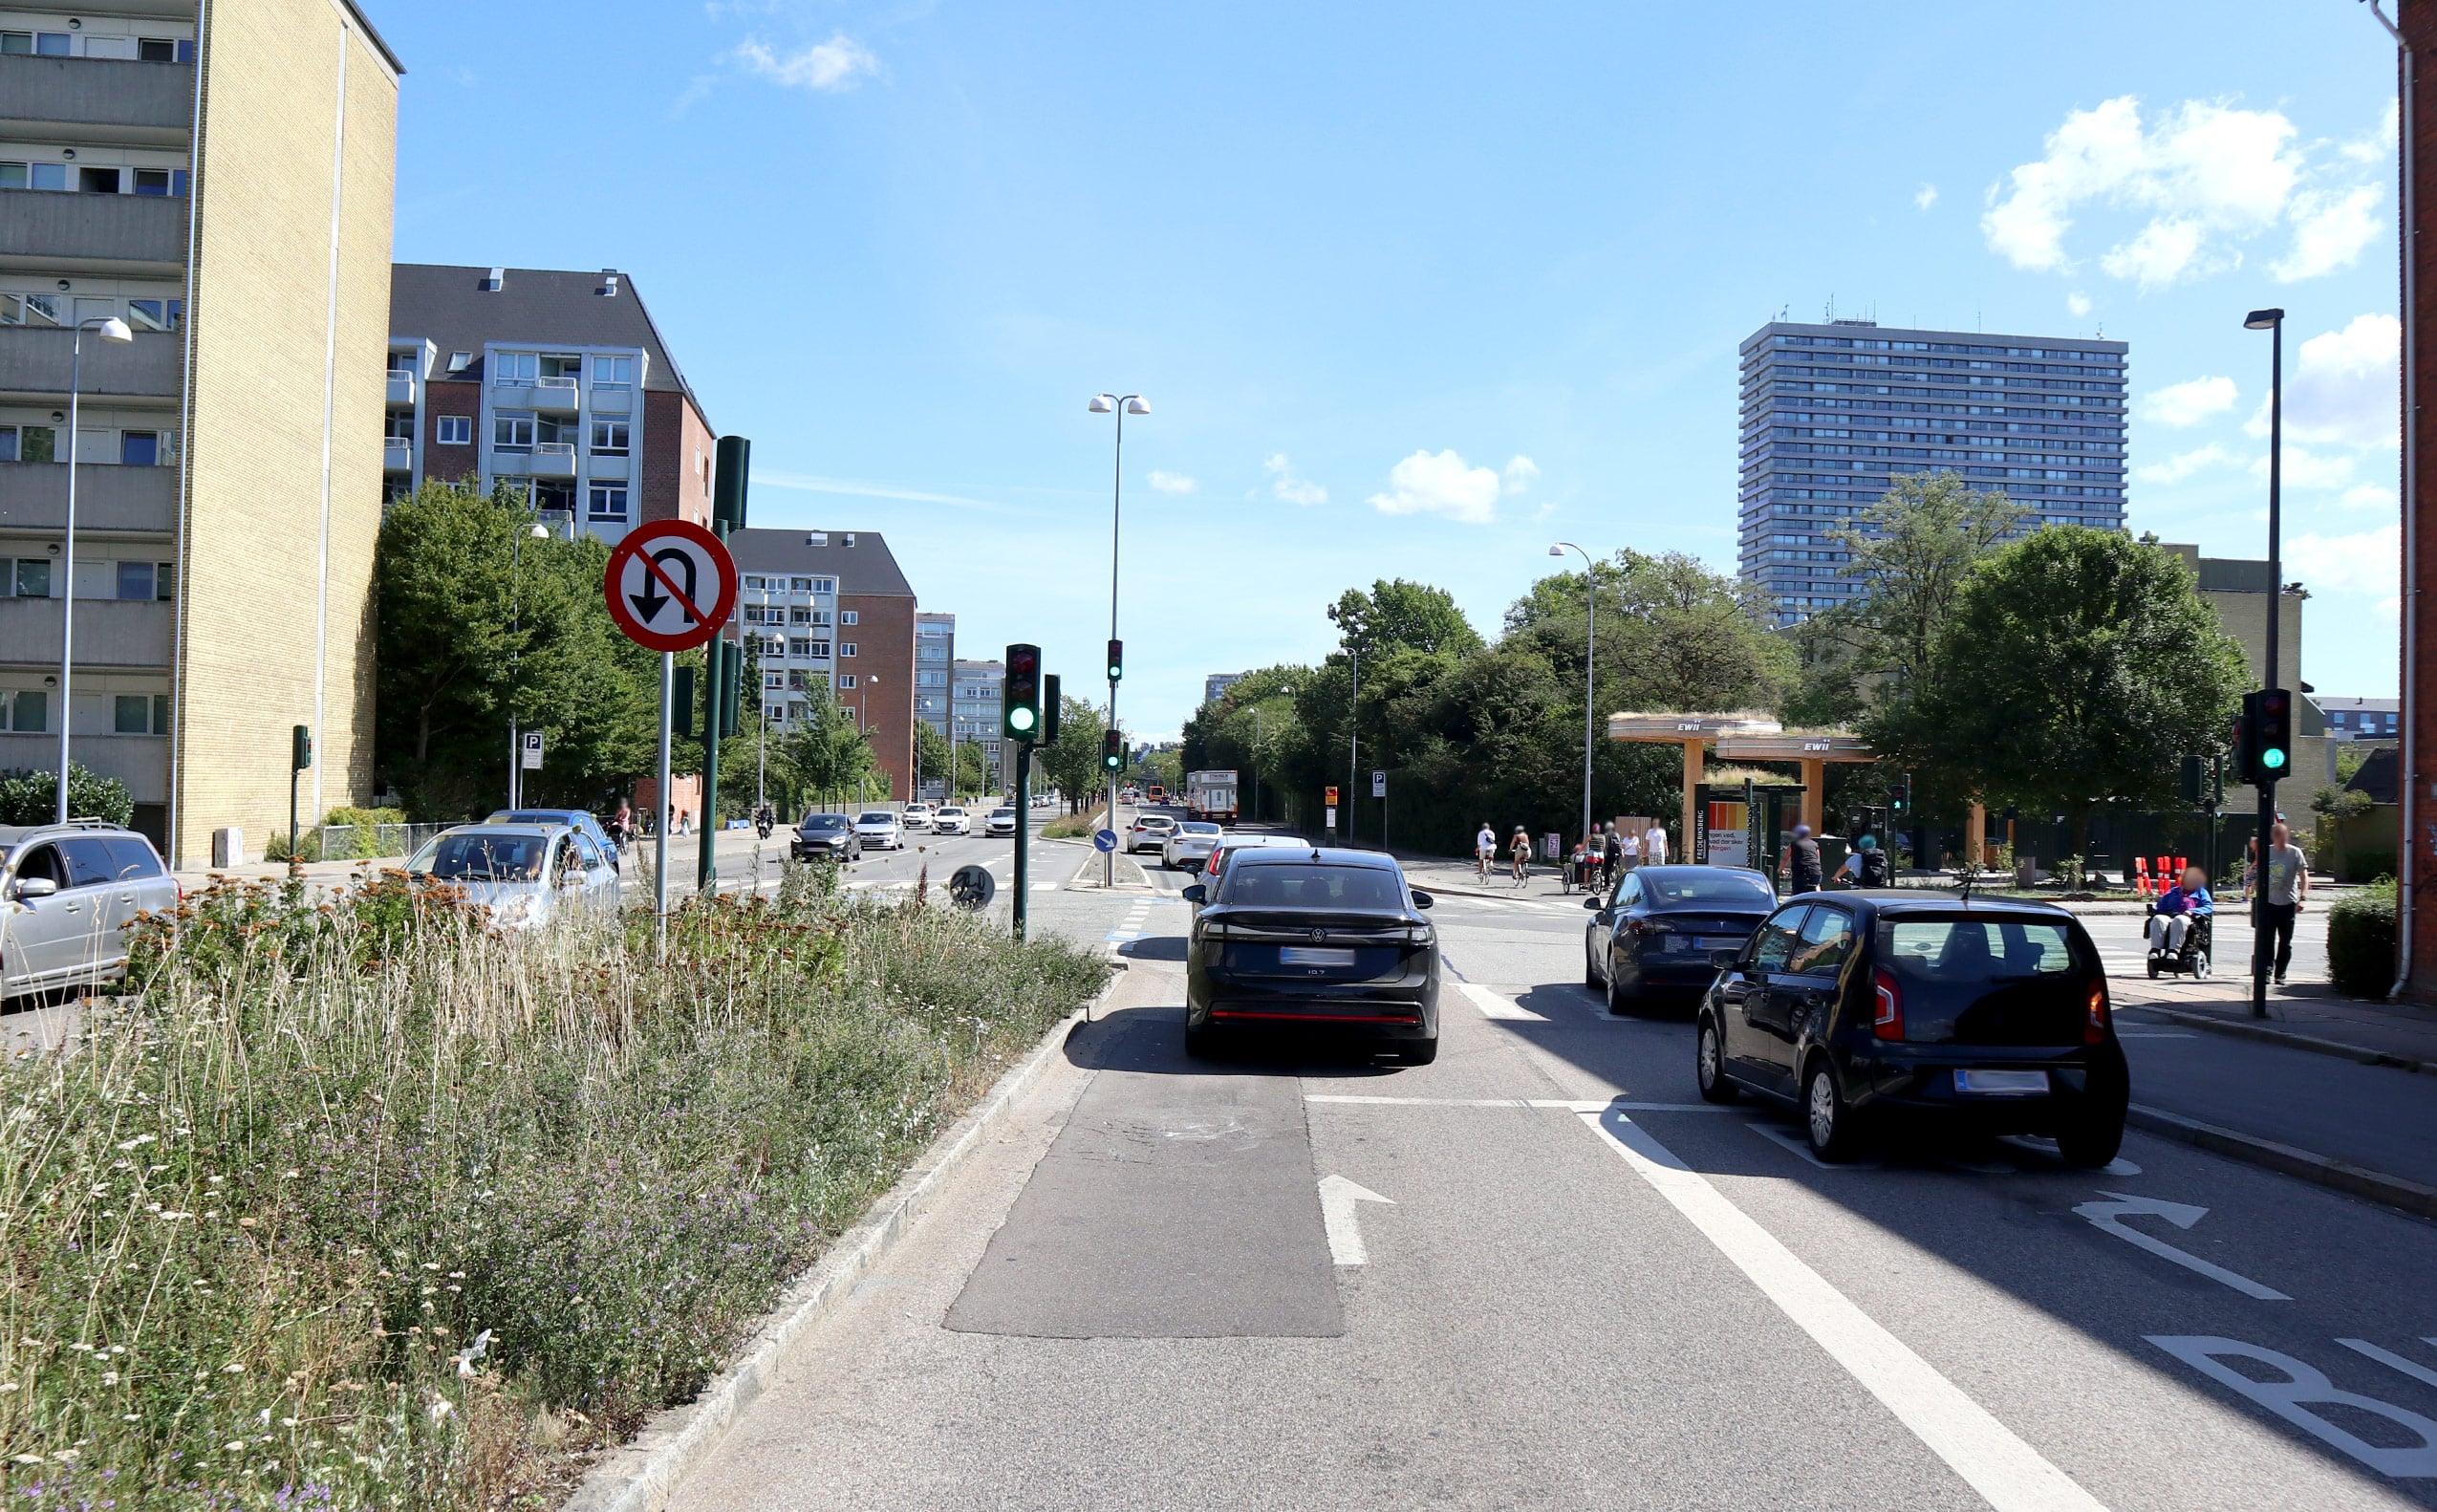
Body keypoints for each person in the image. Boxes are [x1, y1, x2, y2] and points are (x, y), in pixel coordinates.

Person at [2246, 820, 2311, 985]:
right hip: (2268, 903)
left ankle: (2280, 973)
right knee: (2267, 940)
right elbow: (2255, 871)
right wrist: (2250, 885)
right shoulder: (2266, 852)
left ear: (2286, 836)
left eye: (2282, 835)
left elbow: (2304, 877)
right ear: (2273, 836)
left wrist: (2302, 898)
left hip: (2287, 903)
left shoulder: (2295, 853)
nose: (2279, 838)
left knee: (2285, 942)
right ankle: (2267, 971)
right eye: (2276, 835)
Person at [2146, 863, 2214, 959]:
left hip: (2189, 918)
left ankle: (2173, 951)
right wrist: (2155, 910)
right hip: (2169, 916)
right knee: (2158, 919)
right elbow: (2161, 905)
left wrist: (2192, 911)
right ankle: (2155, 950)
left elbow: (2208, 907)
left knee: (2180, 919)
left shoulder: (2201, 892)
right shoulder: (2173, 891)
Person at [1779, 823, 1823, 895]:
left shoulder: (1794, 844)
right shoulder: (1814, 844)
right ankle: (1818, 899)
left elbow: (1785, 858)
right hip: (1816, 871)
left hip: (1801, 871)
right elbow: (1817, 859)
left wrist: (1780, 870)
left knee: (1798, 894)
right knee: (1816, 886)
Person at [1603, 823, 1624, 889]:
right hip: (1617, 853)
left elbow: (1605, 845)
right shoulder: (1617, 834)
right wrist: (1621, 852)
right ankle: (1618, 880)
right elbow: (1620, 844)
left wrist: (1604, 853)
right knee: (1617, 866)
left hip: (1609, 854)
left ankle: (1607, 884)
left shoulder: (1606, 835)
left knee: (1607, 869)